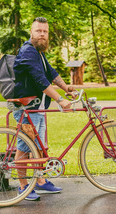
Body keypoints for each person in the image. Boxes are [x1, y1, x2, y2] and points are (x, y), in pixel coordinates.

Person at [13, 17, 76, 201]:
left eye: (45, 32)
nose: (42, 34)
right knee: (24, 147)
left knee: (38, 146)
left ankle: (40, 181)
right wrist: (60, 99)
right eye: (38, 31)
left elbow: (51, 72)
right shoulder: (28, 51)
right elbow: (41, 81)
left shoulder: (38, 53)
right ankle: (23, 186)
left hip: (37, 109)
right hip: (26, 109)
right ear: (31, 33)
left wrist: (67, 88)